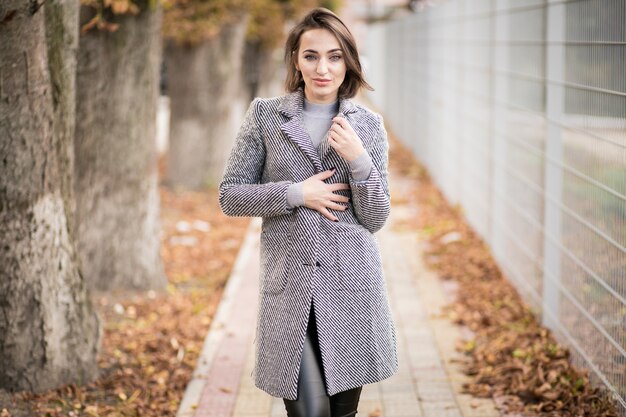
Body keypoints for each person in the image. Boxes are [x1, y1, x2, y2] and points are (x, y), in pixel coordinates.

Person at [219, 7, 398, 417]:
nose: (323, 68)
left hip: (351, 293)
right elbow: (230, 196)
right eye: (311, 55)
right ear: (296, 61)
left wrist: (359, 161)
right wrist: (297, 193)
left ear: (348, 62)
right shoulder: (265, 116)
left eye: (335, 56)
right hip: (289, 293)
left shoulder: (368, 126)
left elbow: (376, 216)